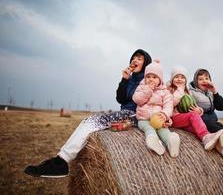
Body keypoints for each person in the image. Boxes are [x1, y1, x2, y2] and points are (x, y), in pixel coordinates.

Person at [24, 49, 152, 178]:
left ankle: (61, 162)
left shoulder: (148, 81)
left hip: (134, 115)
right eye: (133, 58)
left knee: (92, 122)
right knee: (88, 121)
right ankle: (61, 159)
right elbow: (120, 99)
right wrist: (124, 79)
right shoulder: (130, 79)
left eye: (139, 59)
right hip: (124, 113)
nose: (134, 60)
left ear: (146, 64)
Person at [167, 66, 223, 157]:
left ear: (185, 80)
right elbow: (170, 103)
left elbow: (193, 104)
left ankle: (219, 147)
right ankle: (206, 137)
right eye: (176, 77)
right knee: (194, 118)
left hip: (183, 120)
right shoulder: (169, 89)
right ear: (172, 78)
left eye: (182, 77)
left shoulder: (187, 91)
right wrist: (180, 90)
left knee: (197, 129)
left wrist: (199, 110)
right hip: (173, 118)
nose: (179, 79)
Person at [133, 60, 180, 157]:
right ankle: (153, 140)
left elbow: (168, 106)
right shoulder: (141, 88)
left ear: (160, 79)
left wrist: (164, 115)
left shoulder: (165, 92)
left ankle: (170, 143)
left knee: (163, 129)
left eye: (154, 77)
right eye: (148, 77)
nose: (151, 79)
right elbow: (137, 100)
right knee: (148, 128)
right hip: (144, 119)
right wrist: (148, 90)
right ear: (145, 78)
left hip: (158, 118)